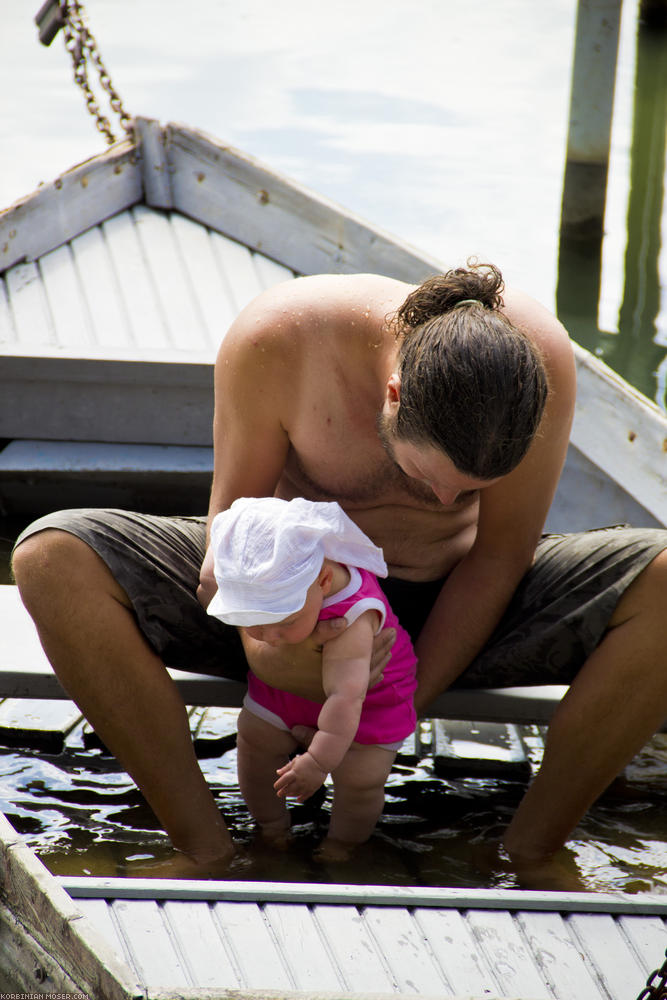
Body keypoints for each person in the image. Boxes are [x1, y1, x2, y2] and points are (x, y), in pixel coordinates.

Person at [11, 261, 667, 880]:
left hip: (459, 604)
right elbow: (233, 536)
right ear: (392, 394)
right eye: (425, 477)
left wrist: (388, 713)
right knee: (51, 557)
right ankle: (205, 846)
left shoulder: (537, 360)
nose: (444, 502)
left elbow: (499, 556)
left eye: (466, 491)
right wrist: (277, 654)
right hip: (288, 606)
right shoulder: (281, 339)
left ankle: (529, 852)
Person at [206, 496, 417, 860]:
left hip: (369, 700)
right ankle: (271, 825)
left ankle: (341, 846)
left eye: (284, 621)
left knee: (360, 779)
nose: (269, 638)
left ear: (323, 580)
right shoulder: (279, 598)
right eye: (252, 621)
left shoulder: (352, 615)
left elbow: (346, 697)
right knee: (253, 742)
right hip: (284, 685)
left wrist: (319, 761)